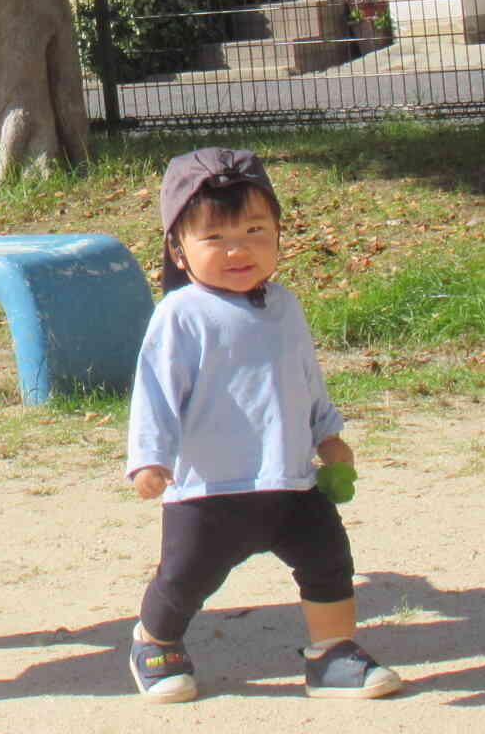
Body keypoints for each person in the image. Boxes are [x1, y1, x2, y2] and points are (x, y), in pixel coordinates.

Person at [125, 147, 404, 704]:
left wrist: (328, 434)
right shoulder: (181, 314)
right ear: (178, 249)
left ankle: (332, 653)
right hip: (210, 490)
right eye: (215, 237)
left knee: (328, 560)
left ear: (278, 235)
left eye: (255, 231)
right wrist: (149, 459)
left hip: (292, 480)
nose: (239, 249)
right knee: (185, 578)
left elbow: (306, 378)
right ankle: (154, 641)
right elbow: (155, 392)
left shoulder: (285, 305)